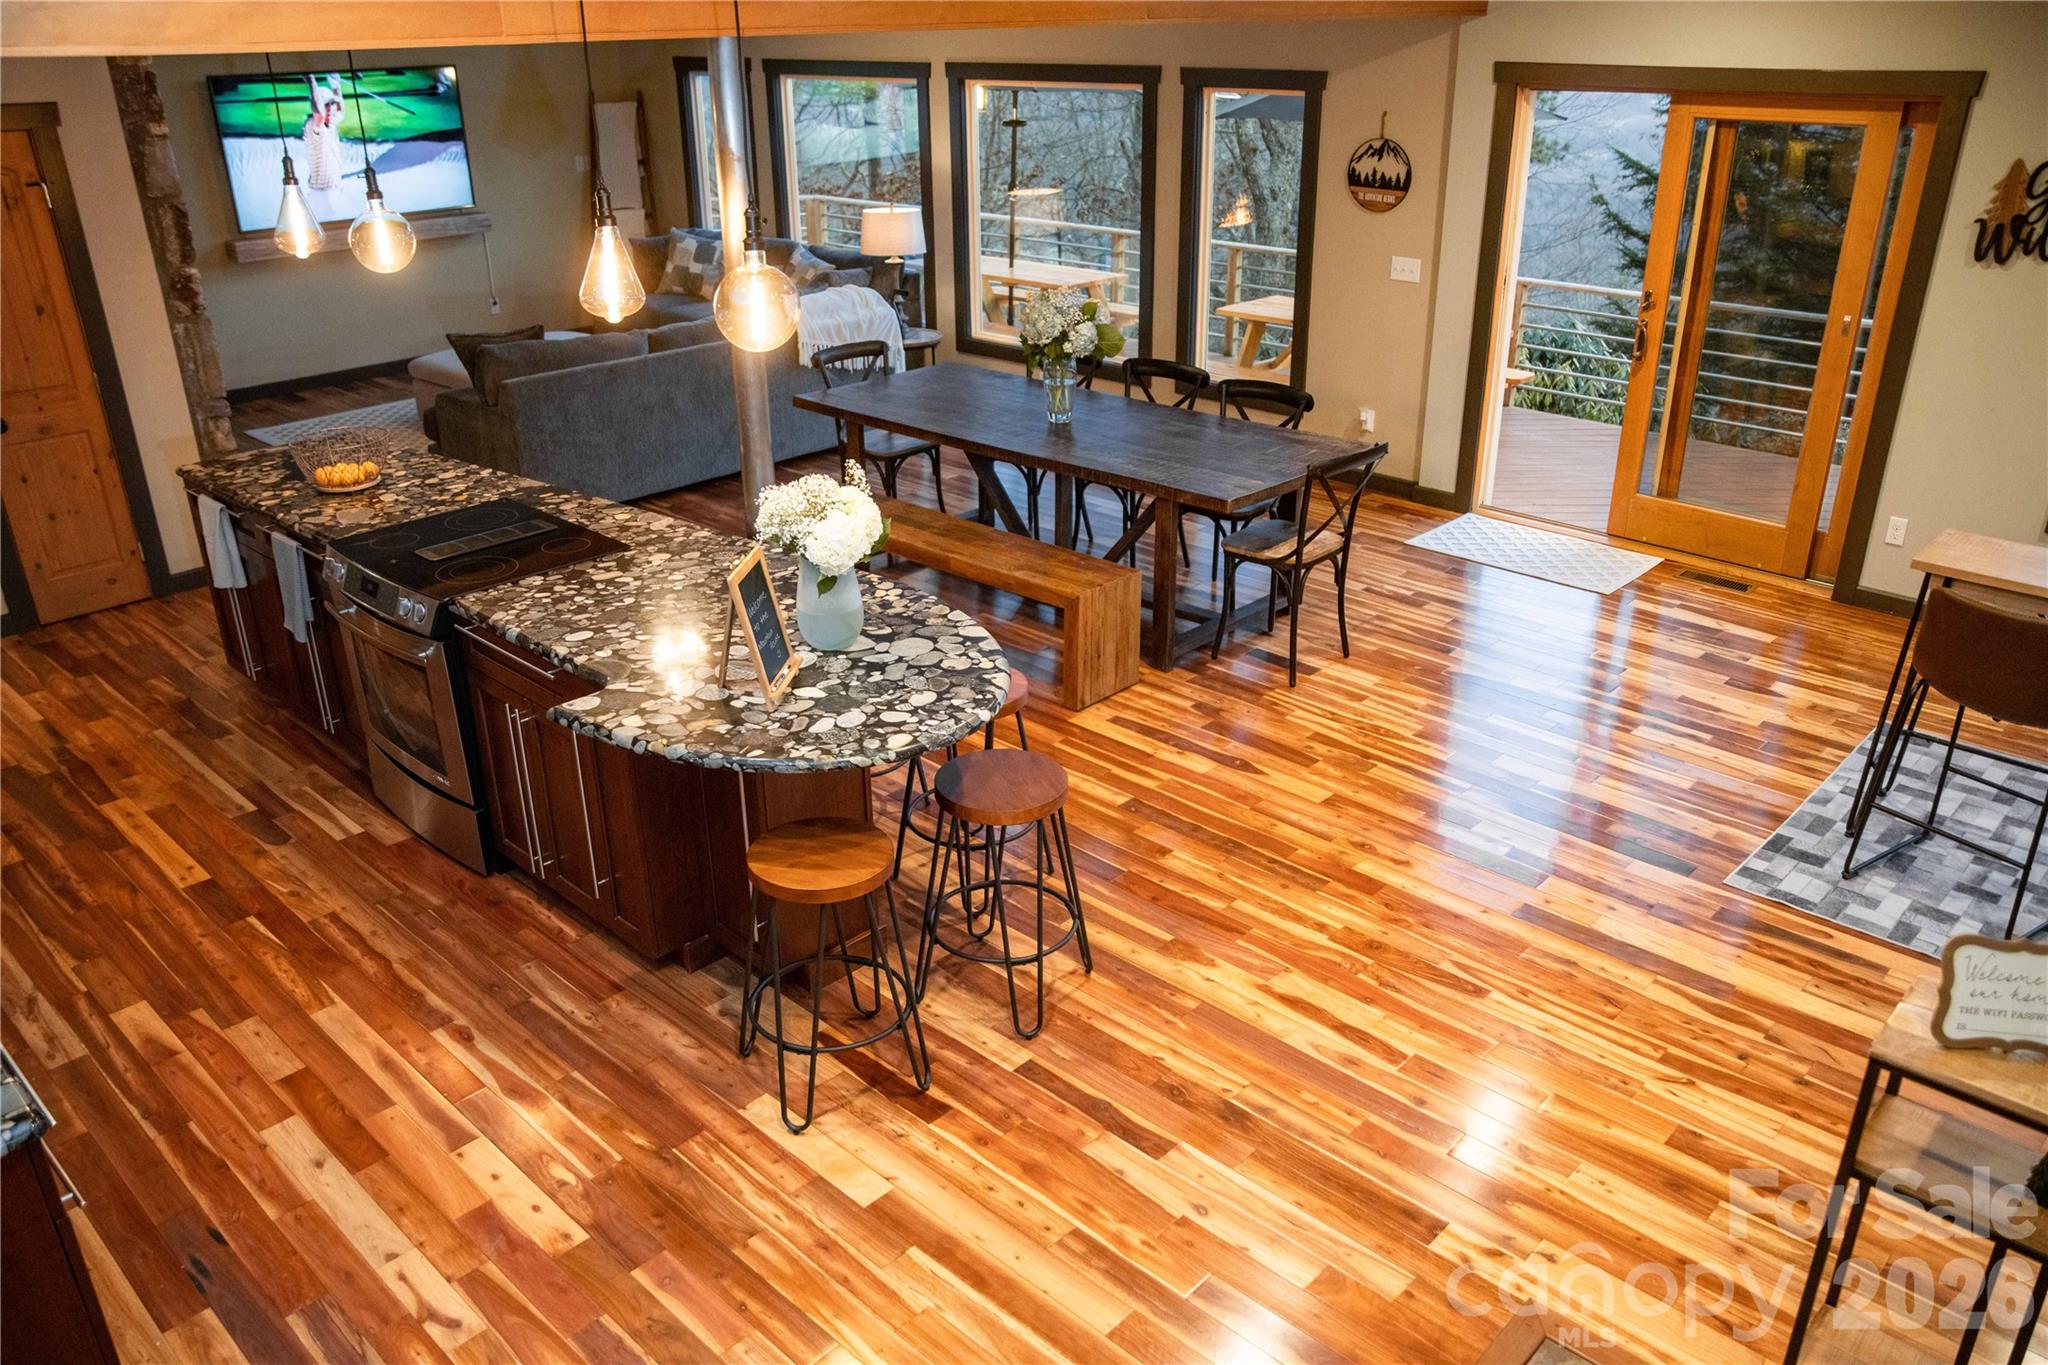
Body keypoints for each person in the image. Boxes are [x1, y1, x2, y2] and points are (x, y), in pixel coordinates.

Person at [301, 74, 345, 192]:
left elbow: (341, 111)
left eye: (332, 104)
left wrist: (336, 86)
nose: (332, 108)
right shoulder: (312, 126)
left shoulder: (331, 123)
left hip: (334, 189)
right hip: (320, 192)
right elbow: (319, 115)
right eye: (327, 105)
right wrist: (312, 82)